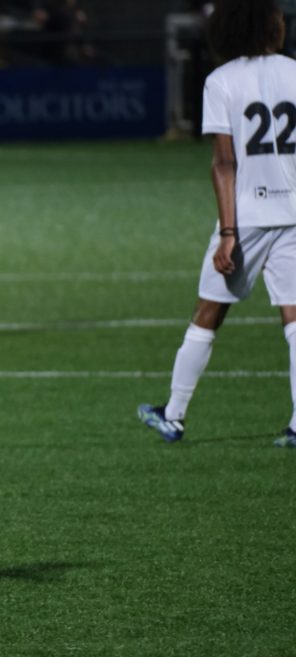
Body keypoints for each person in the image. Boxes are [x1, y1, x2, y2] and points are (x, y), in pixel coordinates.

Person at [138, 0, 296, 448]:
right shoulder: (295, 72)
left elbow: (224, 163)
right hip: (294, 214)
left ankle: (174, 414)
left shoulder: (221, 81)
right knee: (295, 319)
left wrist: (228, 233)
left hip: (247, 216)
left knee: (208, 313)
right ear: (268, 25)